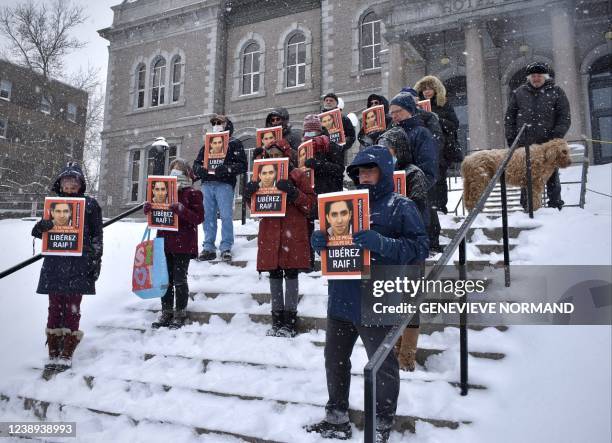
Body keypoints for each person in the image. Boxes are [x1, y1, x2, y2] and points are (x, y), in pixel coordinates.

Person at [305, 146, 429, 442]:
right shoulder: (340, 204)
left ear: (384, 172)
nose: (364, 176)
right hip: (341, 296)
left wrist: (382, 243)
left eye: (370, 170)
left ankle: (382, 421)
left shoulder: (401, 206)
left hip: (377, 296)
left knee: (382, 364)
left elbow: (420, 247)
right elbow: (329, 249)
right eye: (359, 171)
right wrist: (318, 242)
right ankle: (336, 417)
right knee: (334, 360)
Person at [31, 163, 103, 375]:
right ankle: (53, 350)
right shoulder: (54, 204)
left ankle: (67, 351)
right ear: (60, 183)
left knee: (72, 306)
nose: (70, 184)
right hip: (54, 264)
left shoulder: (90, 205)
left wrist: (95, 260)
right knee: (54, 306)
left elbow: (97, 236)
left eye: (74, 181)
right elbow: (37, 233)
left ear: (80, 184)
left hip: (79, 264)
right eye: (66, 181)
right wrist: (42, 226)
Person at [244, 142, 316, 337]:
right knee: (274, 274)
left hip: (292, 231)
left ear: (286, 155)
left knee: (291, 274)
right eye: (269, 154)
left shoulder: (297, 175)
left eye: (277, 153)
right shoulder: (262, 175)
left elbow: (311, 205)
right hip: (270, 232)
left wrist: (294, 193)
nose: (273, 157)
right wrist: (247, 194)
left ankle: (290, 321)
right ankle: (277, 320)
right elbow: (256, 210)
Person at [377, 127, 429, 371]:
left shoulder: (412, 173)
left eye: (389, 150)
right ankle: (393, 348)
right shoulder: (379, 175)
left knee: (409, 299)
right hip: (387, 247)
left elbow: (419, 207)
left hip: (408, 246)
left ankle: (407, 356)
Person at [144, 158, 204, 329]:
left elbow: (199, 218)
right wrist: (149, 209)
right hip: (164, 241)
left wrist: (182, 210)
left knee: (179, 279)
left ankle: (180, 312)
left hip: (183, 243)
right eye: (172, 168)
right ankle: (166, 311)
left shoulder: (192, 193)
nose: (175, 172)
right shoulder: (161, 191)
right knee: (165, 279)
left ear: (186, 173)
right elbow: (156, 217)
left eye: (179, 169)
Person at [504, 61, 570, 210]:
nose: (536, 78)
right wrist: (512, 138)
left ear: (545, 76)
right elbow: (510, 118)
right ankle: (527, 205)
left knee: (551, 174)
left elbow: (564, 117)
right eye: (533, 76)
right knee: (526, 175)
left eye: (539, 75)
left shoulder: (556, 91)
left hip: (548, 143)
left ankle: (555, 203)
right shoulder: (519, 93)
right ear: (529, 78)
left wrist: (556, 137)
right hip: (525, 144)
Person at [193, 115, 247, 262]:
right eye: (214, 123)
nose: (216, 125)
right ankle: (208, 247)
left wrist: (228, 169)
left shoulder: (234, 143)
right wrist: (200, 170)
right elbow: (196, 164)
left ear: (227, 125)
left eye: (220, 122)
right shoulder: (207, 144)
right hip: (207, 184)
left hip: (224, 184)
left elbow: (243, 165)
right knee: (208, 216)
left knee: (226, 216)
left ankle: (226, 246)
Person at [414, 76, 461, 215]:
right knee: (424, 179)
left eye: (430, 88)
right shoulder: (417, 107)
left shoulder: (444, 104)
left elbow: (454, 124)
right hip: (422, 147)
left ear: (435, 90)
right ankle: (427, 209)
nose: (427, 92)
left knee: (439, 178)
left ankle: (440, 208)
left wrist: (437, 119)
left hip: (440, 147)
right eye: (424, 89)